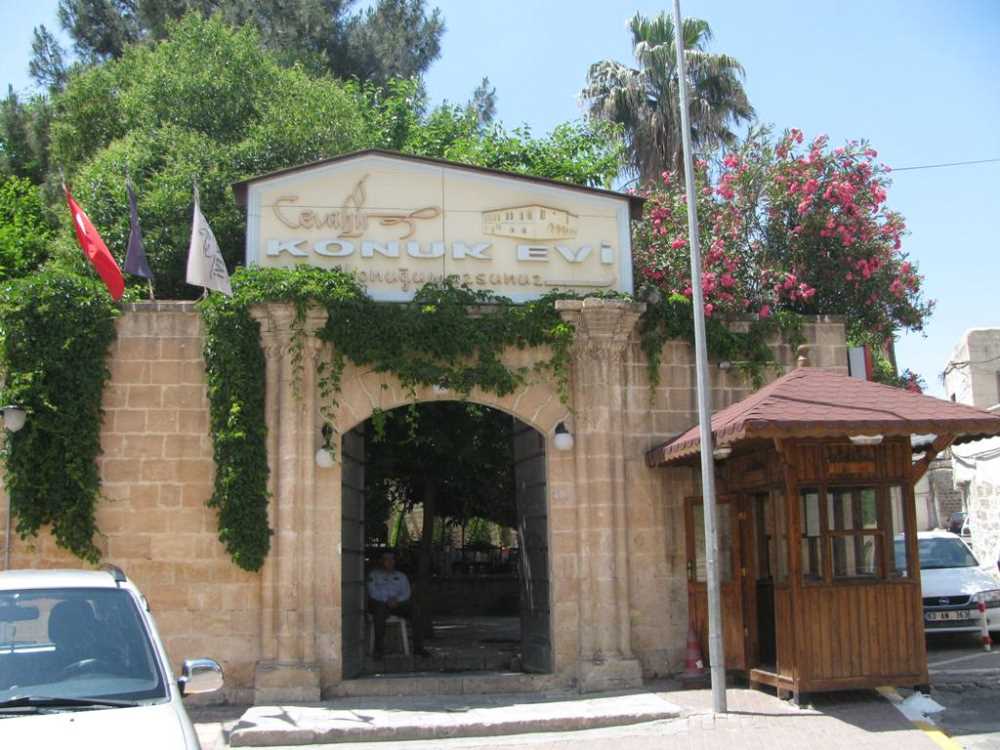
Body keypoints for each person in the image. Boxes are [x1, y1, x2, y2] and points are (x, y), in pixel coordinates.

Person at [367, 550, 429, 658]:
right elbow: (372, 592)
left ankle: (418, 648)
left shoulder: (401, 576)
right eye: (386, 559)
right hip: (380, 603)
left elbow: (406, 593)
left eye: (392, 559)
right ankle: (379, 650)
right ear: (381, 561)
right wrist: (387, 600)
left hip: (398, 604)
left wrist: (397, 600)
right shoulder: (374, 575)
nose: (390, 561)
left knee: (415, 609)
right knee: (379, 611)